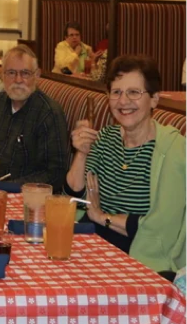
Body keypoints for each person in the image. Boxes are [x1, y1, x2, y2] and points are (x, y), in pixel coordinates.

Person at [64, 55, 186, 273]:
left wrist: (102, 217)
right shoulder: (104, 139)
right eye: (116, 92)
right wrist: (81, 154)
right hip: (97, 247)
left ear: (155, 99)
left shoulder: (173, 150)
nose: (123, 101)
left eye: (134, 92)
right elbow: (73, 202)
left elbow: (162, 229)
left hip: (143, 259)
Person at [0, 44, 69, 192]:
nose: (18, 80)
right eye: (11, 73)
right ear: (2, 75)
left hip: (27, 198)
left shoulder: (49, 114)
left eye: (25, 73)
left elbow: (55, 174)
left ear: (37, 75)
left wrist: (8, 187)